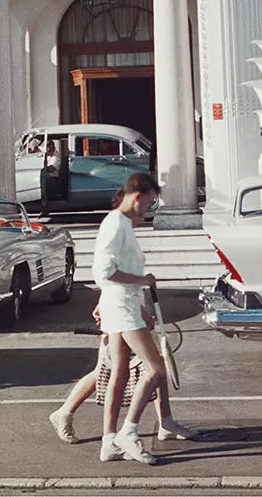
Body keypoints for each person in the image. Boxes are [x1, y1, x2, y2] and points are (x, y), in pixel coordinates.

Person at [90, 172, 176, 465]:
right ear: (137, 197)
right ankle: (129, 431)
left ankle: (108, 442)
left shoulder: (122, 222)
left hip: (122, 305)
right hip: (121, 307)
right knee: (156, 370)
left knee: (120, 373)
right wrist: (142, 280)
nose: (150, 209)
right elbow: (103, 273)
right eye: (150, 202)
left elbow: (114, 271)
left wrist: (140, 302)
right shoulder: (116, 224)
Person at [49, 306, 195, 446]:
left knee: (154, 365)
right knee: (111, 371)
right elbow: (117, 284)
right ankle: (70, 416)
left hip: (129, 313)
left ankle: (165, 423)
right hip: (124, 315)